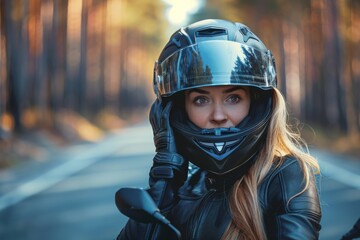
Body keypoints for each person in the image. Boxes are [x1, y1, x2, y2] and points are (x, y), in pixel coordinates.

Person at [116, 19, 322, 239]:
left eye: (233, 98)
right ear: (175, 111)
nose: (218, 116)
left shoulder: (285, 176)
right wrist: (163, 185)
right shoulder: (182, 187)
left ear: (257, 103)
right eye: (201, 100)